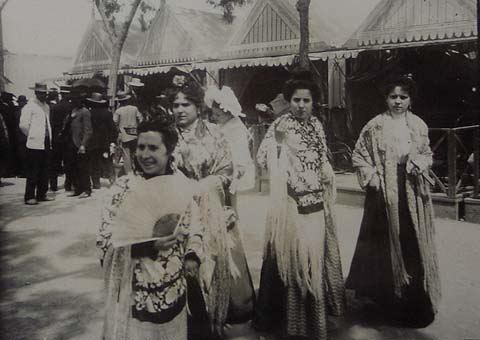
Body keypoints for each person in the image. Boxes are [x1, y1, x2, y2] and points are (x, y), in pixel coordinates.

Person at [254, 70, 346, 340]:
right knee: (288, 261)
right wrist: (279, 145)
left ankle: (312, 319)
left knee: (313, 260)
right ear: (289, 101)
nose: (301, 106)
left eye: (306, 101)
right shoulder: (280, 124)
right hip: (289, 204)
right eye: (296, 100)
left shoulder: (317, 125)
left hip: (316, 201)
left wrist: (326, 173)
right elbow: (261, 159)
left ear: (313, 102)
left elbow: (321, 157)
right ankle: (286, 321)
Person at [346, 76, 440, 328]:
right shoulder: (375, 125)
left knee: (411, 242)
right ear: (386, 99)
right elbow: (359, 155)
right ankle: (384, 305)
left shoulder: (418, 125)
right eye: (393, 97)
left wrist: (420, 163)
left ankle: (413, 303)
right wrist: (372, 176)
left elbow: (427, 154)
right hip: (383, 192)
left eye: (403, 97)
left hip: (410, 188)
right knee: (383, 246)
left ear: (410, 100)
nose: (398, 102)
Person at [97, 118, 204, 340]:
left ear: (169, 151)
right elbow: (106, 240)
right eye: (141, 147)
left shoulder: (181, 184)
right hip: (135, 289)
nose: (145, 155)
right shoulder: (123, 189)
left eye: (153, 148)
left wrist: (193, 253)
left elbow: (195, 223)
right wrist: (146, 245)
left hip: (174, 285)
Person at [168, 80, 237, 339]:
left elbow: (227, 169)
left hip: (208, 207)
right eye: (175, 105)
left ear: (198, 106)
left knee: (211, 263)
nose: (180, 110)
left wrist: (203, 186)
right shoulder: (167, 135)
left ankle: (214, 321)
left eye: (186, 104)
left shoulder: (214, 133)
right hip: (177, 211)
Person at [204, 85, 256, 325]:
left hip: (227, 185)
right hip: (215, 183)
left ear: (225, 111)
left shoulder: (234, 129)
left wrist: (229, 182)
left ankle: (235, 299)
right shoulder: (221, 128)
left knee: (228, 234)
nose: (213, 114)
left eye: (216, 110)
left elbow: (240, 162)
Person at [19, 83, 54, 205]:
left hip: (46, 141)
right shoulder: (29, 107)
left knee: (45, 170)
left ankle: (41, 194)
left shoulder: (46, 107)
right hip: (34, 142)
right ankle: (29, 196)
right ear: (36, 93)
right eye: (41, 93)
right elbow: (23, 125)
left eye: (45, 93)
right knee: (33, 170)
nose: (43, 95)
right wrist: (32, 135)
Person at [61, 92, 92, 198]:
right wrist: (69, 117)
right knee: (73, 168)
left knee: (83, 167)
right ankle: (78, 189)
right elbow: (65, 125)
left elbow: (88, 130)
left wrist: (83, 144)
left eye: (76, 100)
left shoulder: (85, 112)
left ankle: (86, 190)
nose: (73, 102)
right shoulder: (73, 111)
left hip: (80, 143)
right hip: (71, 143)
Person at [86, 92, 116, 189]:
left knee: (94, 162)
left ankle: (96, 183)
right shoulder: (107, 113)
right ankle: (112, 179)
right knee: (107, 160)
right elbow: (112, 128)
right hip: (105, 142)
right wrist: (112, 141)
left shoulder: (88, 113)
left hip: (92, 142)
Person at [113, 91, 143, 174]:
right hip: (134, 133)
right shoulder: (134, 108)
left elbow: (114, 122)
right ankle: (137, 170)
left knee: (126, 155)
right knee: (135, 153)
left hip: (124, 135)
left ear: (119, 101)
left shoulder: (118, 111)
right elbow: (141, 119)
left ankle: (129, 174)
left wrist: (118, 130)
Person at [49, 86, 71, 191]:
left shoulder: (54, 107)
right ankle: (68, 185)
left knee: (55, 162)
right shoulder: (71, 107)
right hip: (68, 139)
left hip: (56, 138)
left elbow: (51, 124)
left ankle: (53, 185)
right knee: (68, 162)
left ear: (61, 94)